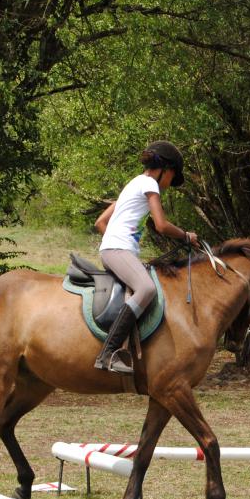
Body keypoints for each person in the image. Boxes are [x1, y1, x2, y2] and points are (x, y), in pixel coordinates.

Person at [93, 141, 197, 374]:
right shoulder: (150, 183)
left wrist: (119, 244)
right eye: (172, 176)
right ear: (164, 170)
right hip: (117, 250)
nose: (170, 183)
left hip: (114, 249)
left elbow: (100, 222)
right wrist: (186, 236)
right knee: (147, 289)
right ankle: (108, 353)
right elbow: (161, 225)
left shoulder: (132, 184)